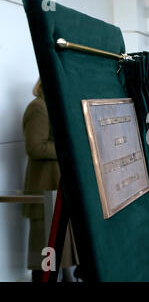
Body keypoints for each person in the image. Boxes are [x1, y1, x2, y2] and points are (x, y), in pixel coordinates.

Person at [23, 79, 79, 282]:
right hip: (45, 190)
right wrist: (69, 150)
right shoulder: (38, 107)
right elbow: (35, 147)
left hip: (57, 189)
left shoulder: (54, 106)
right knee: (45, 255)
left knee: (59, 252)